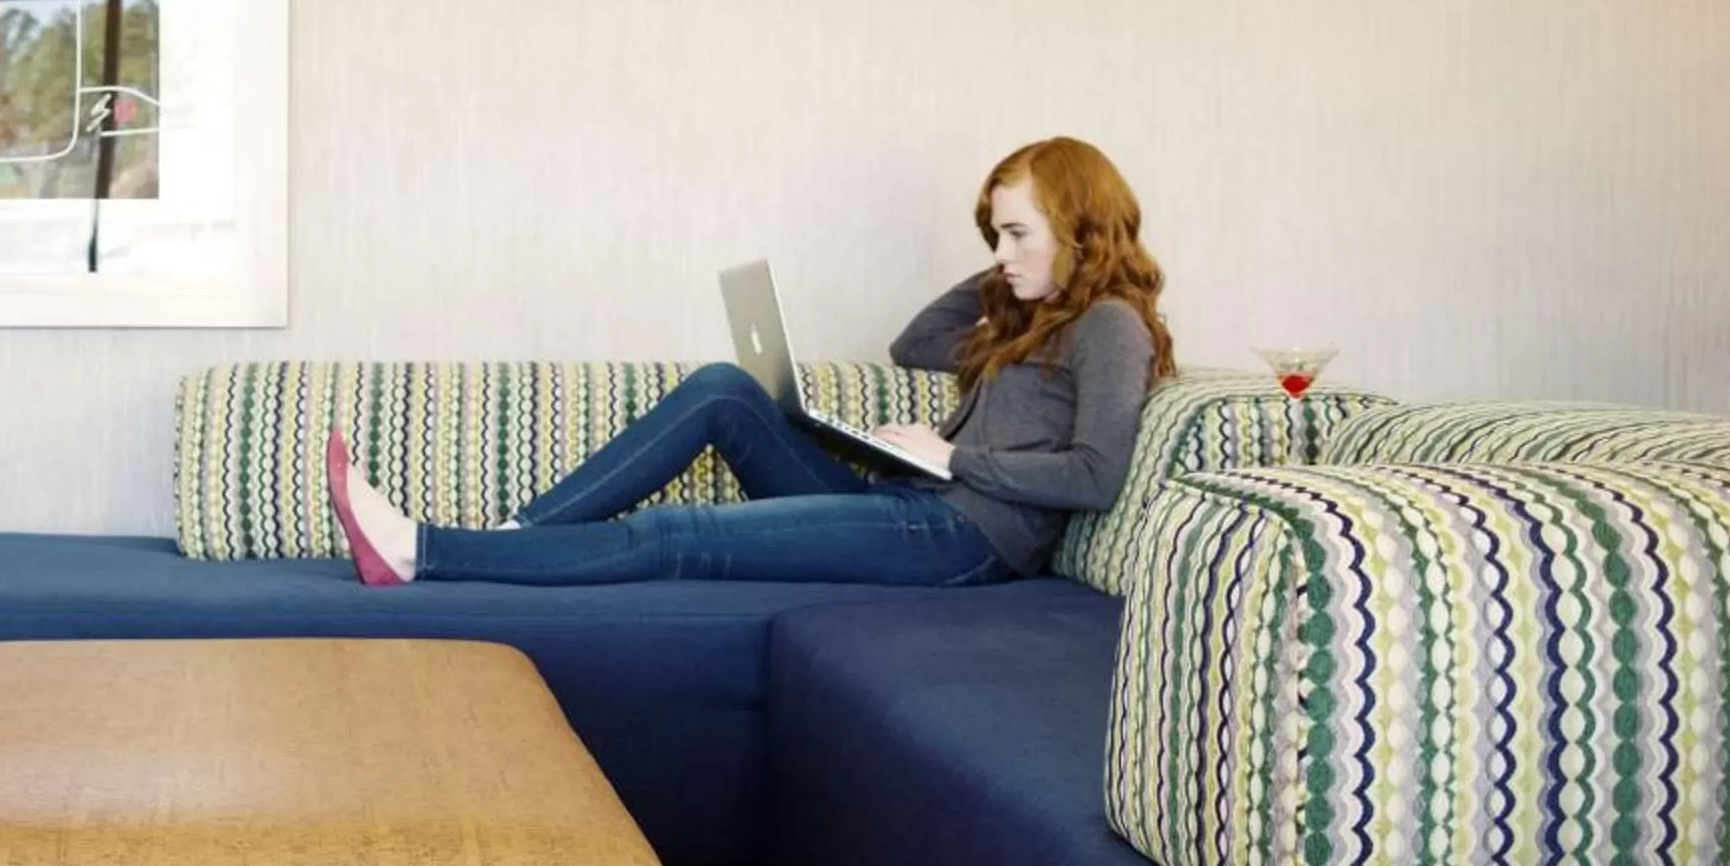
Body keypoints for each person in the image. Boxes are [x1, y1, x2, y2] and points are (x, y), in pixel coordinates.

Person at [325, 136, 1175, 587]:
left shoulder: (1109, 325)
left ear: (1080, 226)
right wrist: (1016, 263)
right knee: (724, 392)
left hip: (958, 539)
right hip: (906, 502)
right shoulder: (1034, 312)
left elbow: (1097, 474)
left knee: (678, 534)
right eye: (992, 234)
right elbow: (912, 345)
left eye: (1018, 231)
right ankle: (516, 538)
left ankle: (422, 551)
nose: (1002, 251)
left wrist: (953, 456)